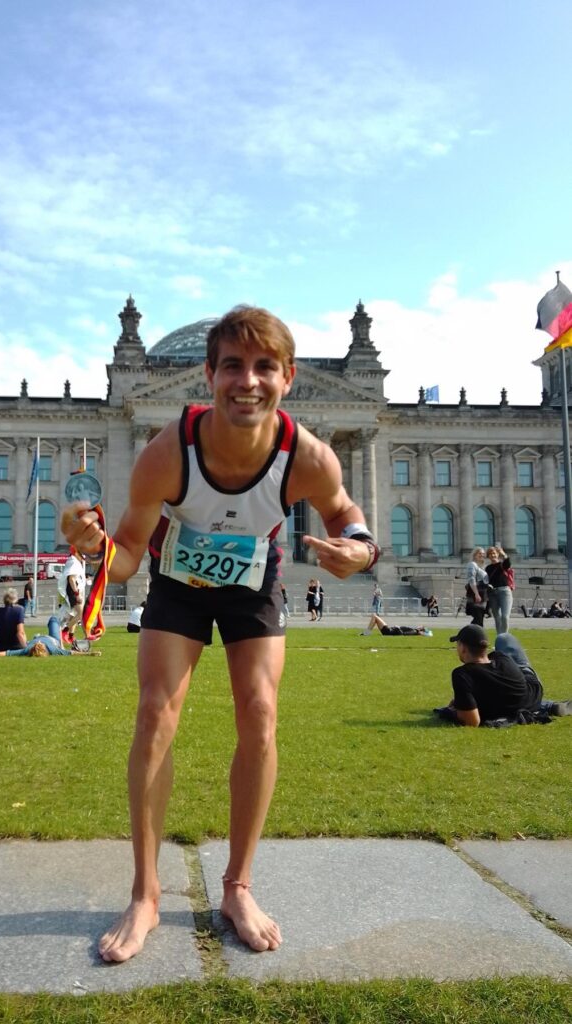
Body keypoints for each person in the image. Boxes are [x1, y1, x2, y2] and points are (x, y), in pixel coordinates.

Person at [61, 304, 379, 963]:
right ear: (207, 376)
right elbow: (124, 559)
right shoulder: (164, 452)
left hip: (252, 583)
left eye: (264, 367)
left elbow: (346, 513)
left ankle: (238, 885)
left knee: (260, 716)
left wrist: (361, 549)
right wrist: (92, 550)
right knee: (154, 715)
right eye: (232, 366)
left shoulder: (307, 456)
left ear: (288, 377)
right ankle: (145, 893)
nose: (248, 381)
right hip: (175, 583)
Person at [435, 625, 572, 726]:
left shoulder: (462, 674)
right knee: (504, 639)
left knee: (504, 639)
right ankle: (548, 706)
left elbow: (472, 721)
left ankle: (548, 705)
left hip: (513, 702)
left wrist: (454, 710)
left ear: (463, 648)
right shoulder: (502, 659)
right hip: (531, 697)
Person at [0, 615, 101, 657]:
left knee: (39, 633)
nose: (39, 644)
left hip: (37, 637)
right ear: (44, 649)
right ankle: (65, 630)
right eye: (40, 645)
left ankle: (62, 629)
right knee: (53, 620)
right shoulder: (52, 649)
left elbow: (7, 653)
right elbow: (71, 653)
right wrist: (90, 653)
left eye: (37, 645)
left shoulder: (26, 650)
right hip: (54, 639)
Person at [485, 545, 513, 634]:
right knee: (497, 617)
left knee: (505, 616)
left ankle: (504, 638)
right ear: (488, 556)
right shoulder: (488, 568)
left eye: (494, 553)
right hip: (493, 594)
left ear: (497, 554)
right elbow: (487, 580)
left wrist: (503, 553)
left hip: (504, 592)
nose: (492, 555)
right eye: (490, 554)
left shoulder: (502, 565)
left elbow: (508, 563)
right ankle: (499, 638)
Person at [58, 552, 86, 640]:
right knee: (81, 614)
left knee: (74, 615)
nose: (83, 558)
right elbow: (72, 579)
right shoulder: (74, 563)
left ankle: (70, 636)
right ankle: (65, 631)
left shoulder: (74, 562)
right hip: (74, 592)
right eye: (81, 556)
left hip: (75, 592)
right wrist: (77, 594)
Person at [465, 547, 488, 628]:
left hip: (483, 594)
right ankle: (466, 635)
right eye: (479, 553)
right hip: (476, 594)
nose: (482, 555)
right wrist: (476, 594)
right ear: (475, 555)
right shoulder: (472, 564)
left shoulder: (482, 567)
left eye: (483, 553)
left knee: (479, 618)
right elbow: (471, 579)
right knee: (478, 619)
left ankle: (469, 636)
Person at [360, 613, 432, 637]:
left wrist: (398, 628)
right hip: (389, 630)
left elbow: (403, 634)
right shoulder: (413, 629)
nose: (419, 626)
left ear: (420, 629)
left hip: (389, 631)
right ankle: (367, 633)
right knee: (374, 617)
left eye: (421, 627)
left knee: (374, 616)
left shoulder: (415, 631)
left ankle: (367, 633)